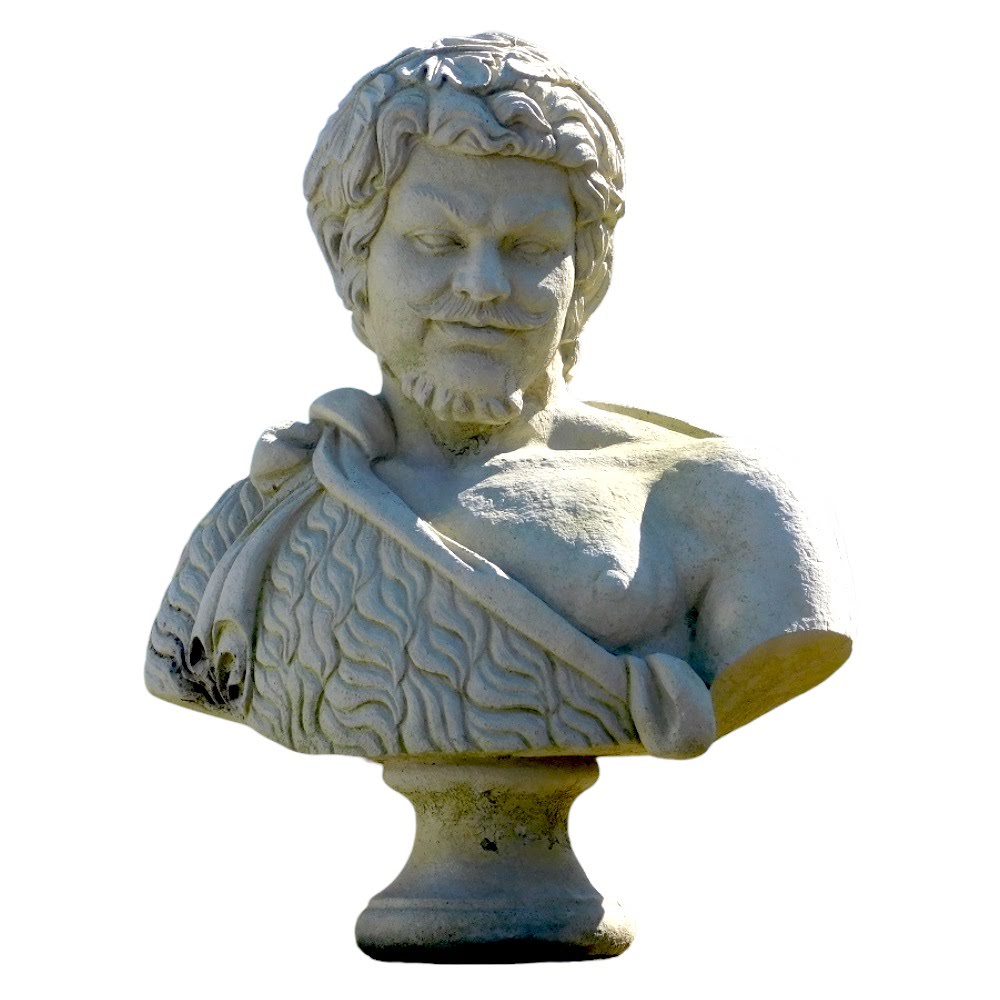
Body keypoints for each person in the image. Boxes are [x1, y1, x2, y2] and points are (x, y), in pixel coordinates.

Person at [146, 33, 851, 760]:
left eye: (530, 248)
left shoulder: (733, 508)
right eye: (436, 241)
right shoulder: (253, 528)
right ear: (349, 256)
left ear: (587, 273)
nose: (483, 285)